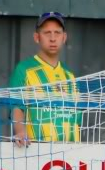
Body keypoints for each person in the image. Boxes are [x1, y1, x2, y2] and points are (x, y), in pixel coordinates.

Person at [9, 11, 81, 146]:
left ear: (64, 37)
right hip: (36, 152)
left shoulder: (69, 75)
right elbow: (16, 107)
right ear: (37, 37)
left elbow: (77, 118)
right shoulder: (24, 70)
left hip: (71, 154)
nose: (53, 38)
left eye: (57, 33)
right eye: (47, 33)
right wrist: (20, 132)